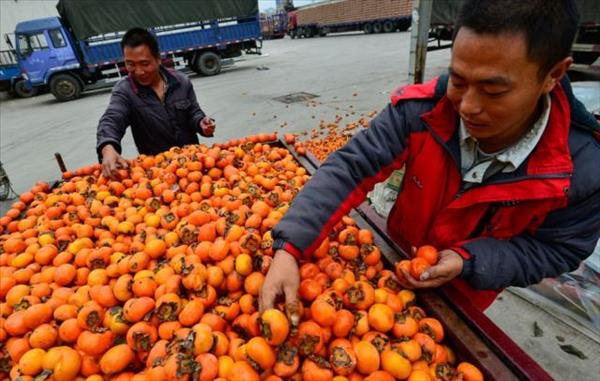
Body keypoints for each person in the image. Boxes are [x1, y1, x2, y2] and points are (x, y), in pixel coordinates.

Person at [260, 0, 600, 312]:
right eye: (458, 80)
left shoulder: (581, 171)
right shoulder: (422, 111)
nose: (467, 106)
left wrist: (470, 261)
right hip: (395, 261)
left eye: (493, 90)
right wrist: (290, 247)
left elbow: (557, 249)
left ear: (553, 76)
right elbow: (350, 167)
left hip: (467, 294)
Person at [96, 28, 215, 179]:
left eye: (144, 64)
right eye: (130, 64)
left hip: (193, 167)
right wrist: (107, 147)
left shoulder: (181, 81)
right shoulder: (125, 91)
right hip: (158, 174)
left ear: (158, 59)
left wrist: (201, 123)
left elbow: (193, 111)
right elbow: (112, 118)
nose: (138, 71)